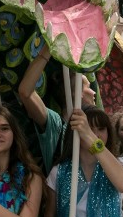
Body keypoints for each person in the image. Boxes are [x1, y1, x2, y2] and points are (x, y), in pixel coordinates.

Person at [18, 44, 97, 174]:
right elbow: (26, 92)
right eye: (88, 86)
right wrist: (48, 49)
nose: (94, 92)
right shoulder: (56, 125)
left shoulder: (97, 127)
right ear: (75, 93)